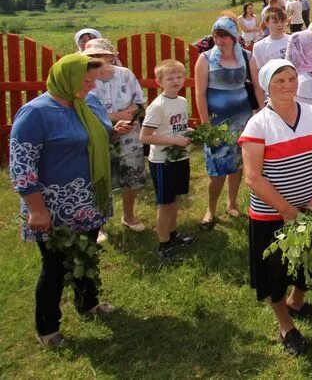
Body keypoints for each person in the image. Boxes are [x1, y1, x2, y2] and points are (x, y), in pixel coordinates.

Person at [10, 54, 131, 348]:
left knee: (86, 255)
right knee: (55, 267)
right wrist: (36, 209)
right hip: (54, 208)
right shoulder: (36, 113)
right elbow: (21, 167)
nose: (91, 87)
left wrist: (113, 134)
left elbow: (96, 137)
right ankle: (47, 328)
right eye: (85, 81)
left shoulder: (87, 104)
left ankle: (87, 302)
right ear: (66, 78)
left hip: (88, 202)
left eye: (92, 81)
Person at [239, 59, 312, 357]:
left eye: (291, 78)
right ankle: (285, 324)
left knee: (309, 260)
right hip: (272, 214)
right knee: (275, 272)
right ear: (267, 85)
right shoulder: (259, 124)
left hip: (311, 208)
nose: (287, 85)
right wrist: (285, 210)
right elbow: (252, 176)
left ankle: (297, 301)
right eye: (279, 80)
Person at [195, 16, 264, 230]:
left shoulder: (247, 57)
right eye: (216, 36)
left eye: (224, 36)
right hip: (217, 124)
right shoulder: (205, 59)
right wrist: (206, 125)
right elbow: (199, 94)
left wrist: (262, 113)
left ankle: (231, 203)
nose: (220, 40)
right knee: (216, 171)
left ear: (234, 36)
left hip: (243, 121)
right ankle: (210, 209)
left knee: (236, 165)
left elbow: (257, 88)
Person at [83, 39, 147, 242]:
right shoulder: (84, 78)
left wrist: (129, 115)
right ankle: (99, 224)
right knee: (101, 178)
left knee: (132, 174)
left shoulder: (125, 74)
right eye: (91, 56)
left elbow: (139, 101)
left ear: (111, 57)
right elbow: (85, 109)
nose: (95, 59)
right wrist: (114, 117)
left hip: (129, 134)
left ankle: (128, 216)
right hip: (98, 136)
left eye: (100, 55)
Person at [139, 59, 197, 260]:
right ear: (159, 82)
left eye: (179, 76)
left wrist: (189, 132)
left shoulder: (182, 101)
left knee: (177, 198)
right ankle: (163, 244)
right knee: (166, 203)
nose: (175, 81)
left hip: (180, 157)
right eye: (169, 78)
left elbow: (176, 126)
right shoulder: (157, 106)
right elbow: (145, 137)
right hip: (163, 161)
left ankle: (173, 234)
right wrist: (174, 140)